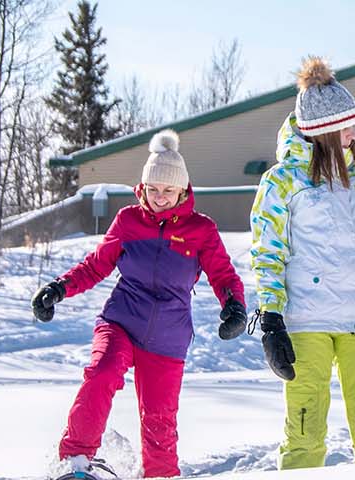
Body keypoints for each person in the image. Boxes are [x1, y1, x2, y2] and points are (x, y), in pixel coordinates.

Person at [28, 130, 248, 478]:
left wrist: (234, 307)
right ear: (143, 187)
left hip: (167, 337)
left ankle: (159, 476)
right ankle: (75, 461)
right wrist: (59, 288)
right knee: (101, 375)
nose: (159, 198)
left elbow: (223, 276)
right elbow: (96, 264)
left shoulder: (201, 230)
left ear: (182, 191)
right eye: (153, 190)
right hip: (121, 322)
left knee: (160, 421)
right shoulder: (129, 221)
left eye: (168, 191)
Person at [247, 56, 355, 469]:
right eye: (346, 126)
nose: (352, 133)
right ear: (323, 131)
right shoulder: (281, 182)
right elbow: (267, 255)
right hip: (307, 323)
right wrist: (271, 320)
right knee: (305, 436)